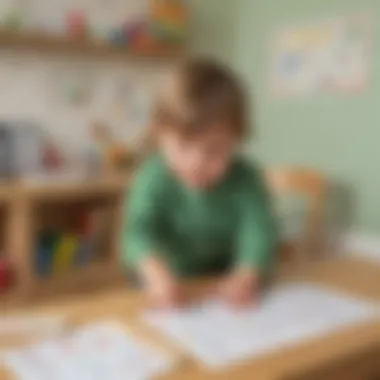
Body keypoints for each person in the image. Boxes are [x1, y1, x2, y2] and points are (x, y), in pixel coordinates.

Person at [123, 58, 277, 308]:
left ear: (237, 140)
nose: (197, 163)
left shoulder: (245, 178)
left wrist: (247, 272)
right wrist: (154, 271)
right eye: (183, 147)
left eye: (216, 150)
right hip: (167, 279)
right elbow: (138, 233)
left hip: (224, 281)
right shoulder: (152, 177)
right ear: (159, 135)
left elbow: (259, 230)